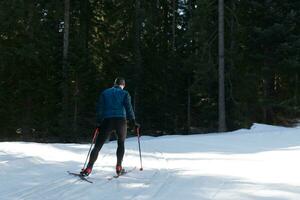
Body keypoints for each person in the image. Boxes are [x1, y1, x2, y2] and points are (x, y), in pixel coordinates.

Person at [81, 77, 140, 176]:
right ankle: (119, 167)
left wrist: (99, 122)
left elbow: (100, 109)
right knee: (121, 143)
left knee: (98, 146)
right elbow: (129, 108)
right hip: (121, 121)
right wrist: (133, 122)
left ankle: (88, 169)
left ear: (114, 84)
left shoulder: (105, 93)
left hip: (107, 121)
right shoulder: (125, 93)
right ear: (123, 85)